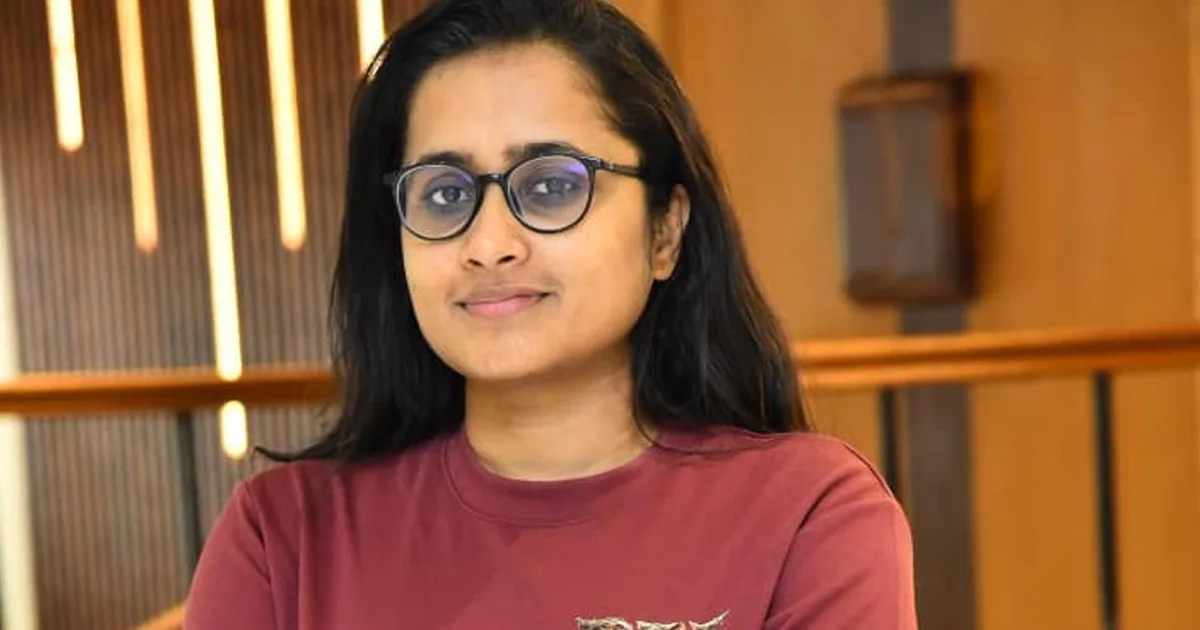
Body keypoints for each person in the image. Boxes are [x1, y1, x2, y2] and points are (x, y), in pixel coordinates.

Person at [184, 0, 916, 627]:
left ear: (665, 230)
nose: (489, 244)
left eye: (551, 186)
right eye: (444, 194)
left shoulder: (810, 515)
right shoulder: (282, 540)